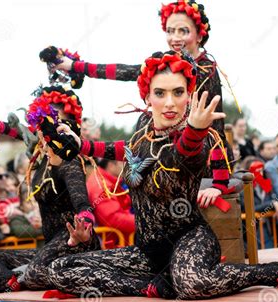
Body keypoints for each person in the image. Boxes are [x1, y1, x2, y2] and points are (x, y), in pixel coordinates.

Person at [46, 51, 278, 300]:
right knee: (59, 269)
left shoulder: (200, 140)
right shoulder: (138, 141)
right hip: (147, 252)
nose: (169, 102)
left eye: (178, 93)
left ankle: (267, 273)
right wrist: (77, 142)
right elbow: (108, 148)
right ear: (147, 96)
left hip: (191, 239)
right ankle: (151, 286)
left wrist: (194, 130)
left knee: (192, 284)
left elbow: (180, 155)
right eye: (160, 93)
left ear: (189, 96)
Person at [50, 0, 232, 208]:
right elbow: (126, 71)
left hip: (201, 163)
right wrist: (76, 66)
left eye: (183, 31)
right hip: (167, 157)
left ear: (200, 35)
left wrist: (219, 183)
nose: (175, 38)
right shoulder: (170, 65)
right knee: (144, 122)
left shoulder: (205, 69)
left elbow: (215, 133)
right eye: (170, 31)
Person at [0, 86, 100, 292]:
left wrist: (85, 224)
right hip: (51, 247)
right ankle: (14, 279)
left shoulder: (69, 160)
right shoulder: (43, 156)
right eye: (48, 124)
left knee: (36, 273)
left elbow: (83, 203)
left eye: (62, 124)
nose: (53, 130)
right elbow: (21, 132)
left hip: (76, 243)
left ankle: (24, 275)